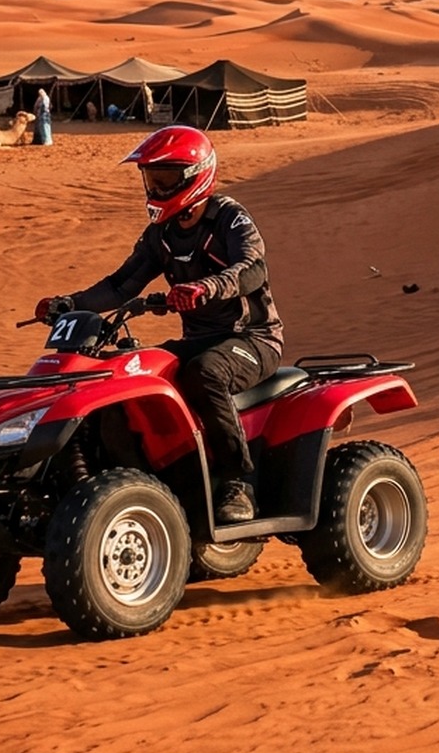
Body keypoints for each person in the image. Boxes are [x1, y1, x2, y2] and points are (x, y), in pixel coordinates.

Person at [38, 125, 282, 523]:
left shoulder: (229, 219)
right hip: (199, 338)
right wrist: (69, 304)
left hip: (252, 339)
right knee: (125, 375)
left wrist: (206, 287)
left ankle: (239, 484)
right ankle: (147, 481)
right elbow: (121, 285)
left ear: (195, 176)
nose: (156, 189)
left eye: (166, 180)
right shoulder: (161, 234)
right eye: (152, 179)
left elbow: (252, 269)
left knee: (204, 373)